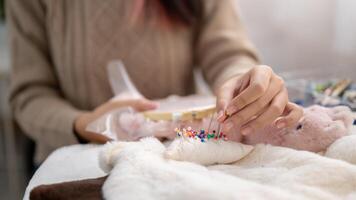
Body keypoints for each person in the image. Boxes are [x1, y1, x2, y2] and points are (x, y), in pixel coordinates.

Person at [7, 0, 302, 164]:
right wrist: (84, 125)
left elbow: (228, 53)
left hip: (181, 160)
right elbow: (29, 94)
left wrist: (243, 83)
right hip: (76, 161)